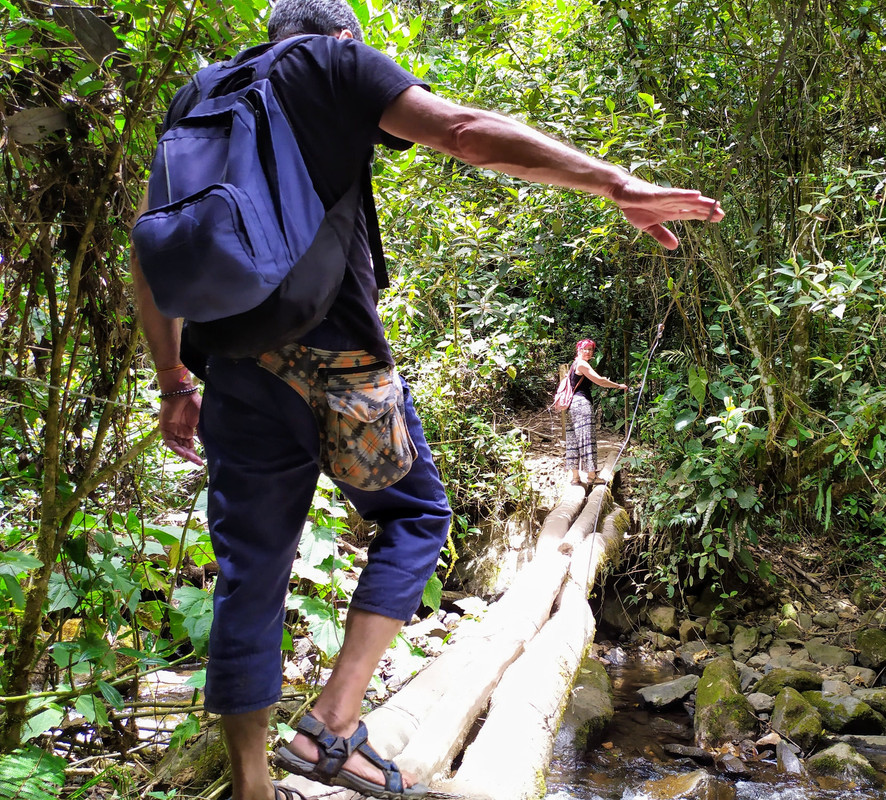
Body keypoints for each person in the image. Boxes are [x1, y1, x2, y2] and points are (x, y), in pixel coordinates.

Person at [130, 2, 725, 799]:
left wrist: (173, 383)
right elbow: (466, 133)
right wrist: (616, 183)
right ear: (347, 35)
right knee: (415, 517)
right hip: (340, 362)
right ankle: (334, 724)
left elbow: (151, 247)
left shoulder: (203, 92)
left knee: (250, 573)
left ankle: (251, 786)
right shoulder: (335, 63)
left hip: (233, 369)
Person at [565, 339, 627, 486]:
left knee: (573, 440)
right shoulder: (582, 364)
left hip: (571, 406)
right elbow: (600, 381)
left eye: (590, 349)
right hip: (581, 405)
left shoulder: (574, 364)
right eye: (584, 349)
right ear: (578, 349)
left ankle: (575, 478)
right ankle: (591, 476)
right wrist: (618, 386)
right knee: (587, 439)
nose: (587, 352)